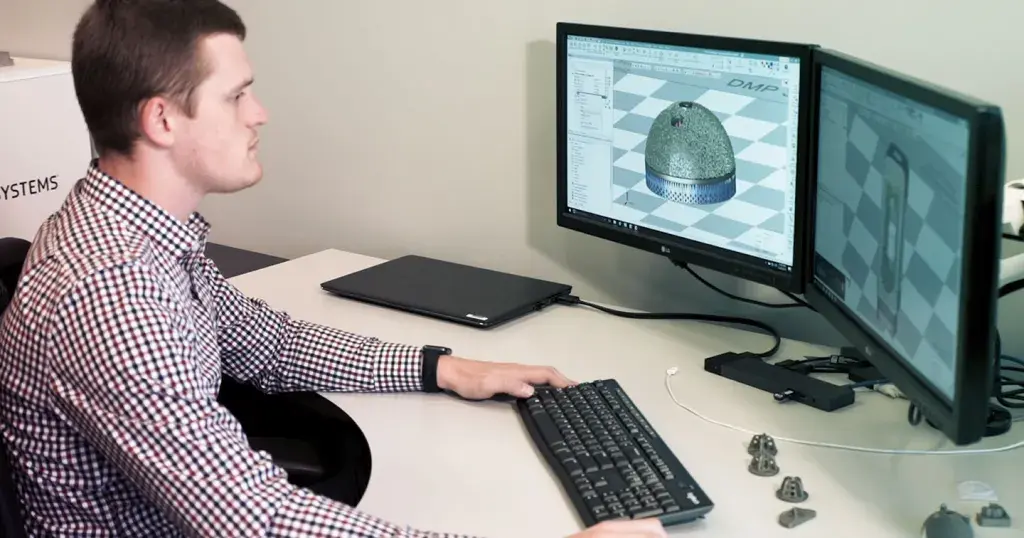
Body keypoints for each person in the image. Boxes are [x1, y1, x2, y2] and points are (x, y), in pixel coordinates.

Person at [0, 1, 669, 537]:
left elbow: (273, 344)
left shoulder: (139, 233)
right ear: (163, 120)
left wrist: (444, 368)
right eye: (237, 96)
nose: (259, 114)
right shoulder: (113, 292)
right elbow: (254, 517)